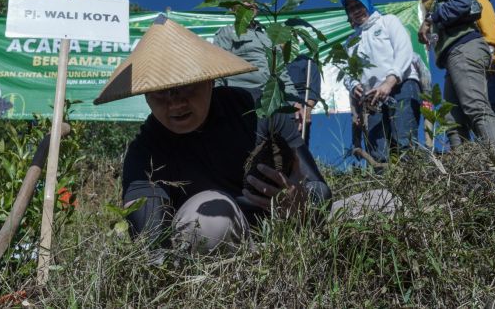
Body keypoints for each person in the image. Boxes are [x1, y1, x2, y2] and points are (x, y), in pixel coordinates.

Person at [93, 15, 331, 253]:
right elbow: (150, 235)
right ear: (145, 95)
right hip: (210, 251)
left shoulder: (260, 111)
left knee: (365, 205)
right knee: (211, 220)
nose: (175, 104)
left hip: (286, 236)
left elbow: (320, 190)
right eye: (160, 93)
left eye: (186, 87)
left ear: (210, 81)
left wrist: (302, 199)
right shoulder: (146, 151)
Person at [412, 0, 495, 147]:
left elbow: (462, 2)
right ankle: (465, 172)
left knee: (476, 108)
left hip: (464, 48)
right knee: (452, 121)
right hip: (452, 56)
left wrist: (431, 19)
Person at [340, 0, 421, 163]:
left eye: (358, 4)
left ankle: (413, 188)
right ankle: (385, 189)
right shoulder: (351, 42)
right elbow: (347, 72)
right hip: (372, 98)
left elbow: (404, 50)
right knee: (378, 152)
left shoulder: (388, 22)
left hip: (401, 87)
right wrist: (354, 85)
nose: (356, 11)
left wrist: (390, 81)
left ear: (366, 2)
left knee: (404, 143)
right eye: (350, 8)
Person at [212, 0, 298, 104]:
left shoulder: (270, 35)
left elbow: (281, 72)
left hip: (274, 100)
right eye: (245, 0)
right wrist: (217, 103)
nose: (251, 4)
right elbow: (218, 70)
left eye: (253, 0)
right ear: (233, 8)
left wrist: (294, 101)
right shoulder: (227, 32)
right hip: (242, 98)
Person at [286, 55, 321, 147]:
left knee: (299, 152)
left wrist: (307, 112)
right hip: (279, 114)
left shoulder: (308, 62)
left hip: (298, 116)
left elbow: (314, 92)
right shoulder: (276, 60)